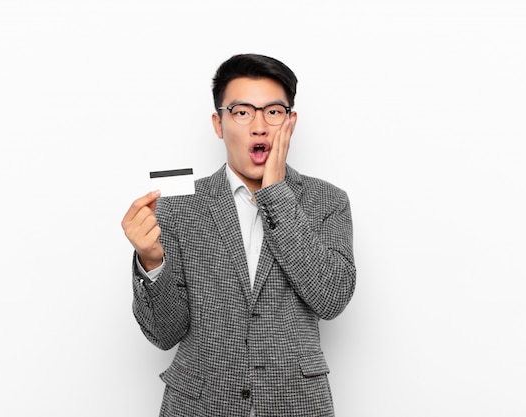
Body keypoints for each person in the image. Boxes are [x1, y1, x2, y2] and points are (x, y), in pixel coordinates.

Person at [121, 53, 356, 417]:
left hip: (295, 404)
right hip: (198, 405)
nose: (259, 126)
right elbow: (164, 334)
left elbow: (332, 298)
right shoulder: (179, 207)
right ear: (219, 123)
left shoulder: (328, 200)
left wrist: (275, 194)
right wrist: (151, 260)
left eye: (273, 112)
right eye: (243, 112)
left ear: (290, 122)